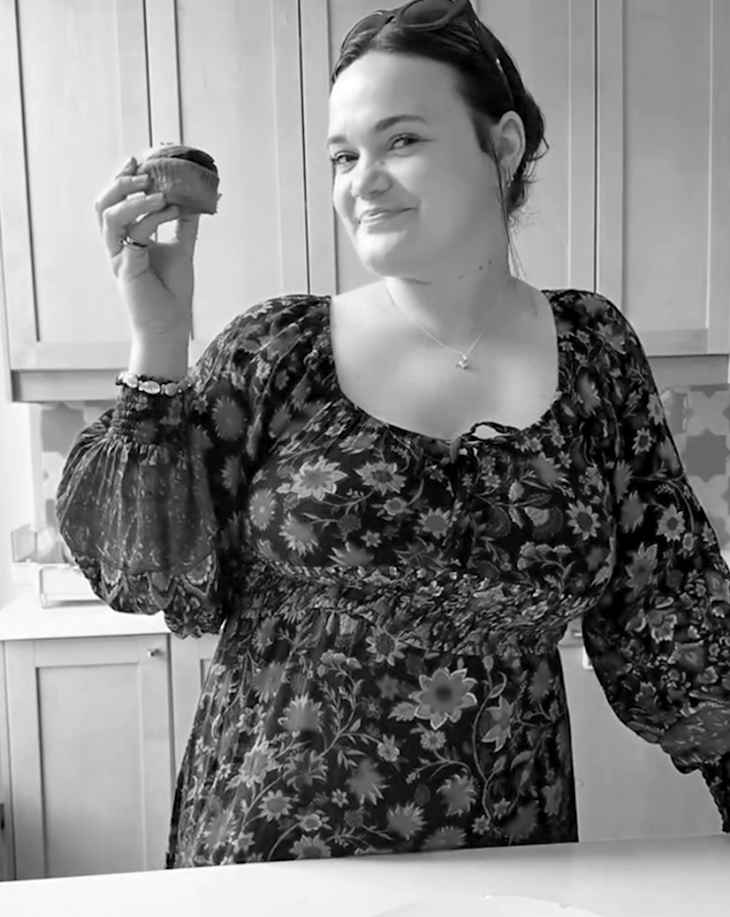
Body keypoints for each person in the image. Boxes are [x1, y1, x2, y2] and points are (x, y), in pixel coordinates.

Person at [57, 0, 729, 867]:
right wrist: (158, 344)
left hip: (509, 862)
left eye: (400, 141)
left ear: (506, 144)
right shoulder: (280, 350)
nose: (360, 181)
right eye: (344, 155)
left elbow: (668, 613)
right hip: (274, 862)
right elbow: (149, 576)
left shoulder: (593, 352)